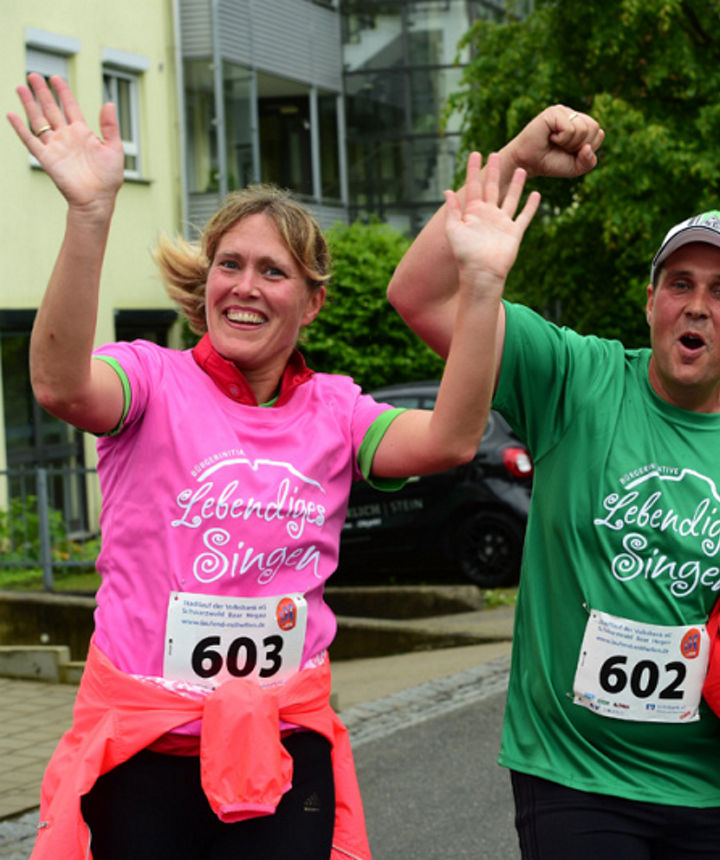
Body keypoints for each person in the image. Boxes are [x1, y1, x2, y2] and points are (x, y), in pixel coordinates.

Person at [8, 73, 539, 860]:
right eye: (230, 264)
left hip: (284, 748)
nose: (244, 287)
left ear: (311, 301)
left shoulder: (335, 409)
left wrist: (485, 287)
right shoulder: (150, 380)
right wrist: (89, 215)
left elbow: (453, 439)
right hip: (144, 750)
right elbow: (58, 384)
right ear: (206, 282)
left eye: (273, 270)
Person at [388, 108, 720, 857]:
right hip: (573, 773)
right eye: (680, 282)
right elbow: (421, 298)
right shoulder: (573, 378)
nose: (697, 303)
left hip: (704, 779)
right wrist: (516, 159)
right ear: (650, 300)